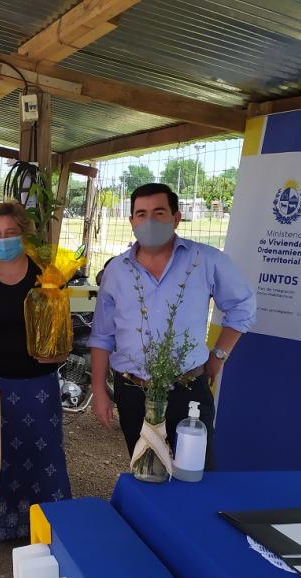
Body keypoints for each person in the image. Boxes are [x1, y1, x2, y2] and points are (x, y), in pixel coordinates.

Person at [89, 183, 256, 467]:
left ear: (176, 218)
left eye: (159, 212)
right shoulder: (117, 270)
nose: (149, 221)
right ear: (131, 221)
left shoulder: (205, 261)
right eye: (141, 214)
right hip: (132, 392)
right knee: (145, 472)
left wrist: (218, 355)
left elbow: (243, 306)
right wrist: (99, 391)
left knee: (197, 475)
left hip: (187, 391)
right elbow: (102, 335)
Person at [0, 201, 71, 544]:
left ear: (24, 234)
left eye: (10, 233)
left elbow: (62, 333)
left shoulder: (47, 276)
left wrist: (58, 352)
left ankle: (49, 523)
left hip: (37, 382)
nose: (3, 239)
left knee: (44, 454)